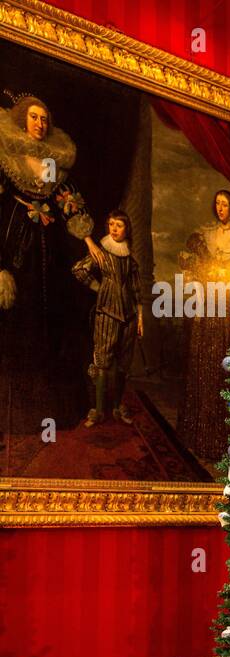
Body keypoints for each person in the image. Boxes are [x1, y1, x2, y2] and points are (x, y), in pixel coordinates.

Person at [0, 94, 102, 431]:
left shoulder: (51, 161)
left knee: (50, 313)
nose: (40, 124)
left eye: (44, 118)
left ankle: (48, 402)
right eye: (34, 117)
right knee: (18, 315)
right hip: (14, 241)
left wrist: (87, 237)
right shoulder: (8, 155)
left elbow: (65, 199)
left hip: (49, 243)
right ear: (21, 121)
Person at [176, 189, 230, 460]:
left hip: (226, 310)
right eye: (217, 204)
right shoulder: (206, 236)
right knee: (201, 365)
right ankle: (196, 436)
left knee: (221, 367)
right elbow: (192, 262)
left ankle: (219, 441)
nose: (220, 208)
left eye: (225, 204)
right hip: (207, 308)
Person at [72, 210, 143, 426]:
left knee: (122, 364)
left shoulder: (130, 258)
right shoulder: (101, 251)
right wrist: (99, 287)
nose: (114, 228)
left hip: (129, 315)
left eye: (119, 225)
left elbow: (137, 290)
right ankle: (98, 410)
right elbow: (79, 270)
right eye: (111, 224)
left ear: (126, 229)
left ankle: (116, 407)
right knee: (102, 362)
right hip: (106, 313)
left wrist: (140, 318)